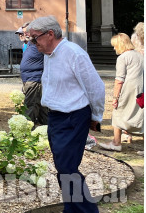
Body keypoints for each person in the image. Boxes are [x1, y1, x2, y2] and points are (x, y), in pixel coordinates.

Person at [27, 16, 104, 213]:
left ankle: (86, 210)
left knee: (67, 168)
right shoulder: (49, 54)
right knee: (63, 168)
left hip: (73, 116)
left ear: (50, 34)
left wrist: (96, 116)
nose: (32, 43)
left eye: (35, 38)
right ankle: (72, 209)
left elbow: (95, 87)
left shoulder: (73, 53)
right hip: (56, 117)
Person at [98, 33, 143, 151]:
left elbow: (119, 79)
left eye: (115, 45)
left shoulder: (123, 58)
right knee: (140, 114)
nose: (114, 48)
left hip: (128, 89)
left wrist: (115, 97)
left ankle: (116, 143)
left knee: (117, 113)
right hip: (141, 89)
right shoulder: (139, 55)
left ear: (120, 45)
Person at [18, 23, 47, 126]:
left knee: (31, 106)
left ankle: (27, 131)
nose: (24, 33)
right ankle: (48, 130)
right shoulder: (30, 43)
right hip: (29, 79)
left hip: (35, 79)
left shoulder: (41, 43)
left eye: (27, 31)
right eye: (24, 31)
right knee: (40, 108)